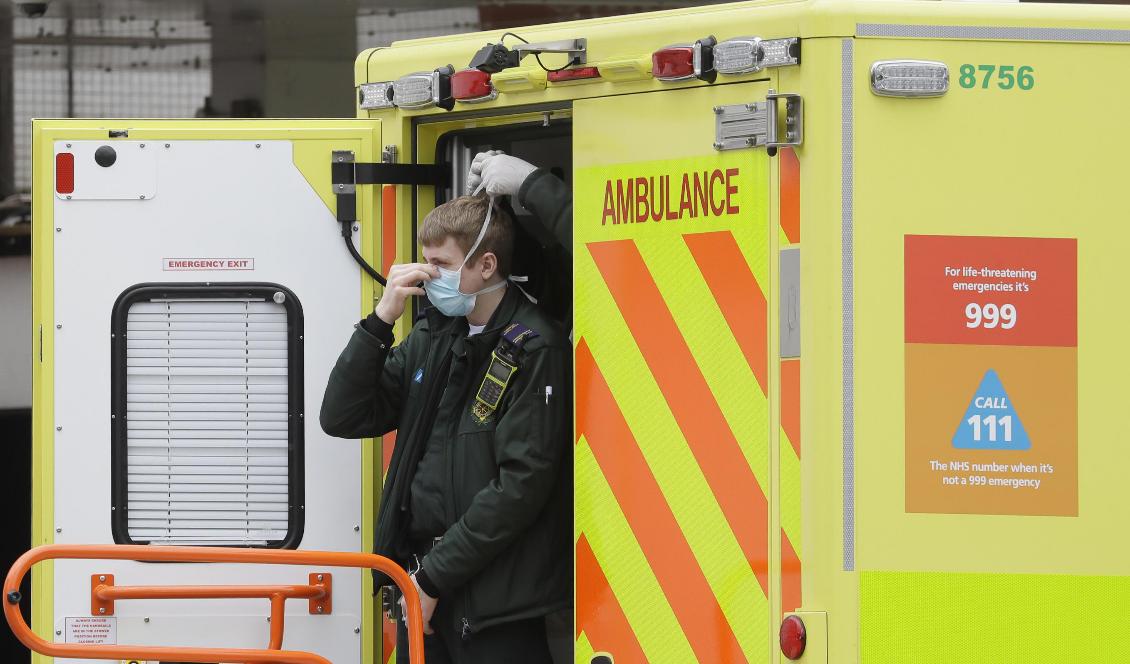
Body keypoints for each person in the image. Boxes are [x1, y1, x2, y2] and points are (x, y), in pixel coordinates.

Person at [319, 157, 571, 664]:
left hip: (495, 607)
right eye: (425, 262)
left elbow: (519, 486)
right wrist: (381, 317)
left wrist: (432, 578)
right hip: (424, 589)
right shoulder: (433, 335)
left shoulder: (535, 345)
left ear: (486, 265)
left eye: (442, 265)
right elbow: (342, 416)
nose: (428, 276)